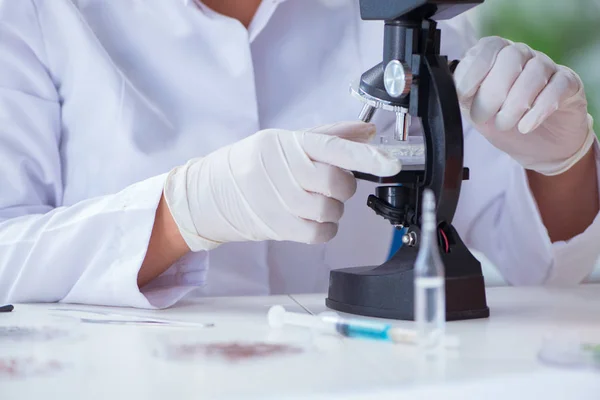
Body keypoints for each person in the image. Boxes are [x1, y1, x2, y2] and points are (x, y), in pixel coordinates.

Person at [0, 0, 598, 308]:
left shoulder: (397, 16)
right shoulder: (37, 15)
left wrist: (562, 160)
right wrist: (182, 214)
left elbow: (544, 266)